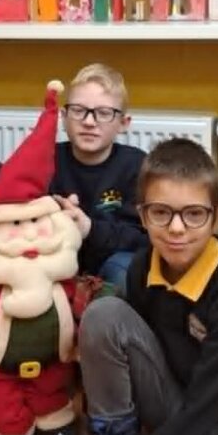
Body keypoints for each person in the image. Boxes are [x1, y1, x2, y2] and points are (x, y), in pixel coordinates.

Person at [66, 138, 218, 435]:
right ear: (142, 215)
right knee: (104, 314)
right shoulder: (142, 267)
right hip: (170, 401)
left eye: (194, 214)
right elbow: (133, 356)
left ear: (217, 216)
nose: (176, 228)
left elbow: (205, 409)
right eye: (161, 212)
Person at [0, 80, 89, 435]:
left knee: (61, 434)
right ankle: (13, 433)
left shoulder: (61, 275)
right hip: (2, 377)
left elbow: (78, 309)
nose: (30, 234)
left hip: (53, 371)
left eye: (36, 221)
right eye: (16, 225)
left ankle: (53, 421)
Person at [54, 63, 148, 293]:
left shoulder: (138, 167)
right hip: (54, 262)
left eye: (104, 113)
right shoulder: (44, 159)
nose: (89, 121)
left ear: (123, 123)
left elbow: (146, 239)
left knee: (126, 269)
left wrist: (90, 228)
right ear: (63, 117)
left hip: (112, 267)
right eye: (78, 110)